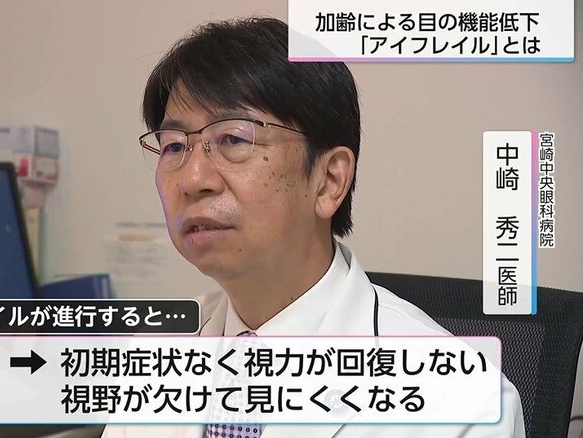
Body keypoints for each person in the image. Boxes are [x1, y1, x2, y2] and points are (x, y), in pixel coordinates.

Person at [103, 17, 524, 438]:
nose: (193, 179)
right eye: (174, 146)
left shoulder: (463, 402)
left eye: (233, 139)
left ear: (329, 181)